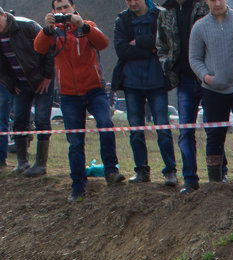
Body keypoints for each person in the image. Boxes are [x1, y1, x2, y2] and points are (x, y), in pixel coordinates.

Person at [35, 0, 125, 200]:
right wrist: (46, 29)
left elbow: (103, 42)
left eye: (66, 7)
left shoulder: (87, 25)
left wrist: (81, 25)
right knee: (75, 141)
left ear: (73, 8)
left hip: (95, 90)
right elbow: (39, 48)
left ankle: (111, 170)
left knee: (106, 124)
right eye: (59, 9)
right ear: (53, 12)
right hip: (68, 94)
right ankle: (78, 185)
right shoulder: (53, 32)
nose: (63, 12)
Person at [188, 0, 233, 186]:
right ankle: (215, 180)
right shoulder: (199, 26)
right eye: (213, 0)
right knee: (214, 134)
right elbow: (194, 58)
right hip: (213, 90)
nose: (217, 3)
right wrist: (206, 77)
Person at [114, 0, 178, 185]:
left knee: (163, 128)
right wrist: (149, 49)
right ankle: (141, 171)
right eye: (128, 0)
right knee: (135, 129)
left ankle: (170, 171)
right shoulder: (122, 19)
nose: (133, 3)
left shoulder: (160, 15)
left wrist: (139, 42)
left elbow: (165, 42)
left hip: (157, 81)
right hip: (131, 83)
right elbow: (121, 50)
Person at [156, 0, 207, 192]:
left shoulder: (203, 6)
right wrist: (166, 65)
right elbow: (160, 44)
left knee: (213, 129)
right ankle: (189, 179)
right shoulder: (165, 11)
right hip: (183, 79)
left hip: (207, 76)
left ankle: (219, 175)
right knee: (186, 132)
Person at [0, 5, 55, 177]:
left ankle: (41, 163)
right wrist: (10, 83)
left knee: (41, 119)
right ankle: (22, 161)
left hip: (41, 81)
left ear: (3, 15)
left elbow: (49, 49)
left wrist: (47, 76)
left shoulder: (27, 26)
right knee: (19, 121)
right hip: (20, 84)